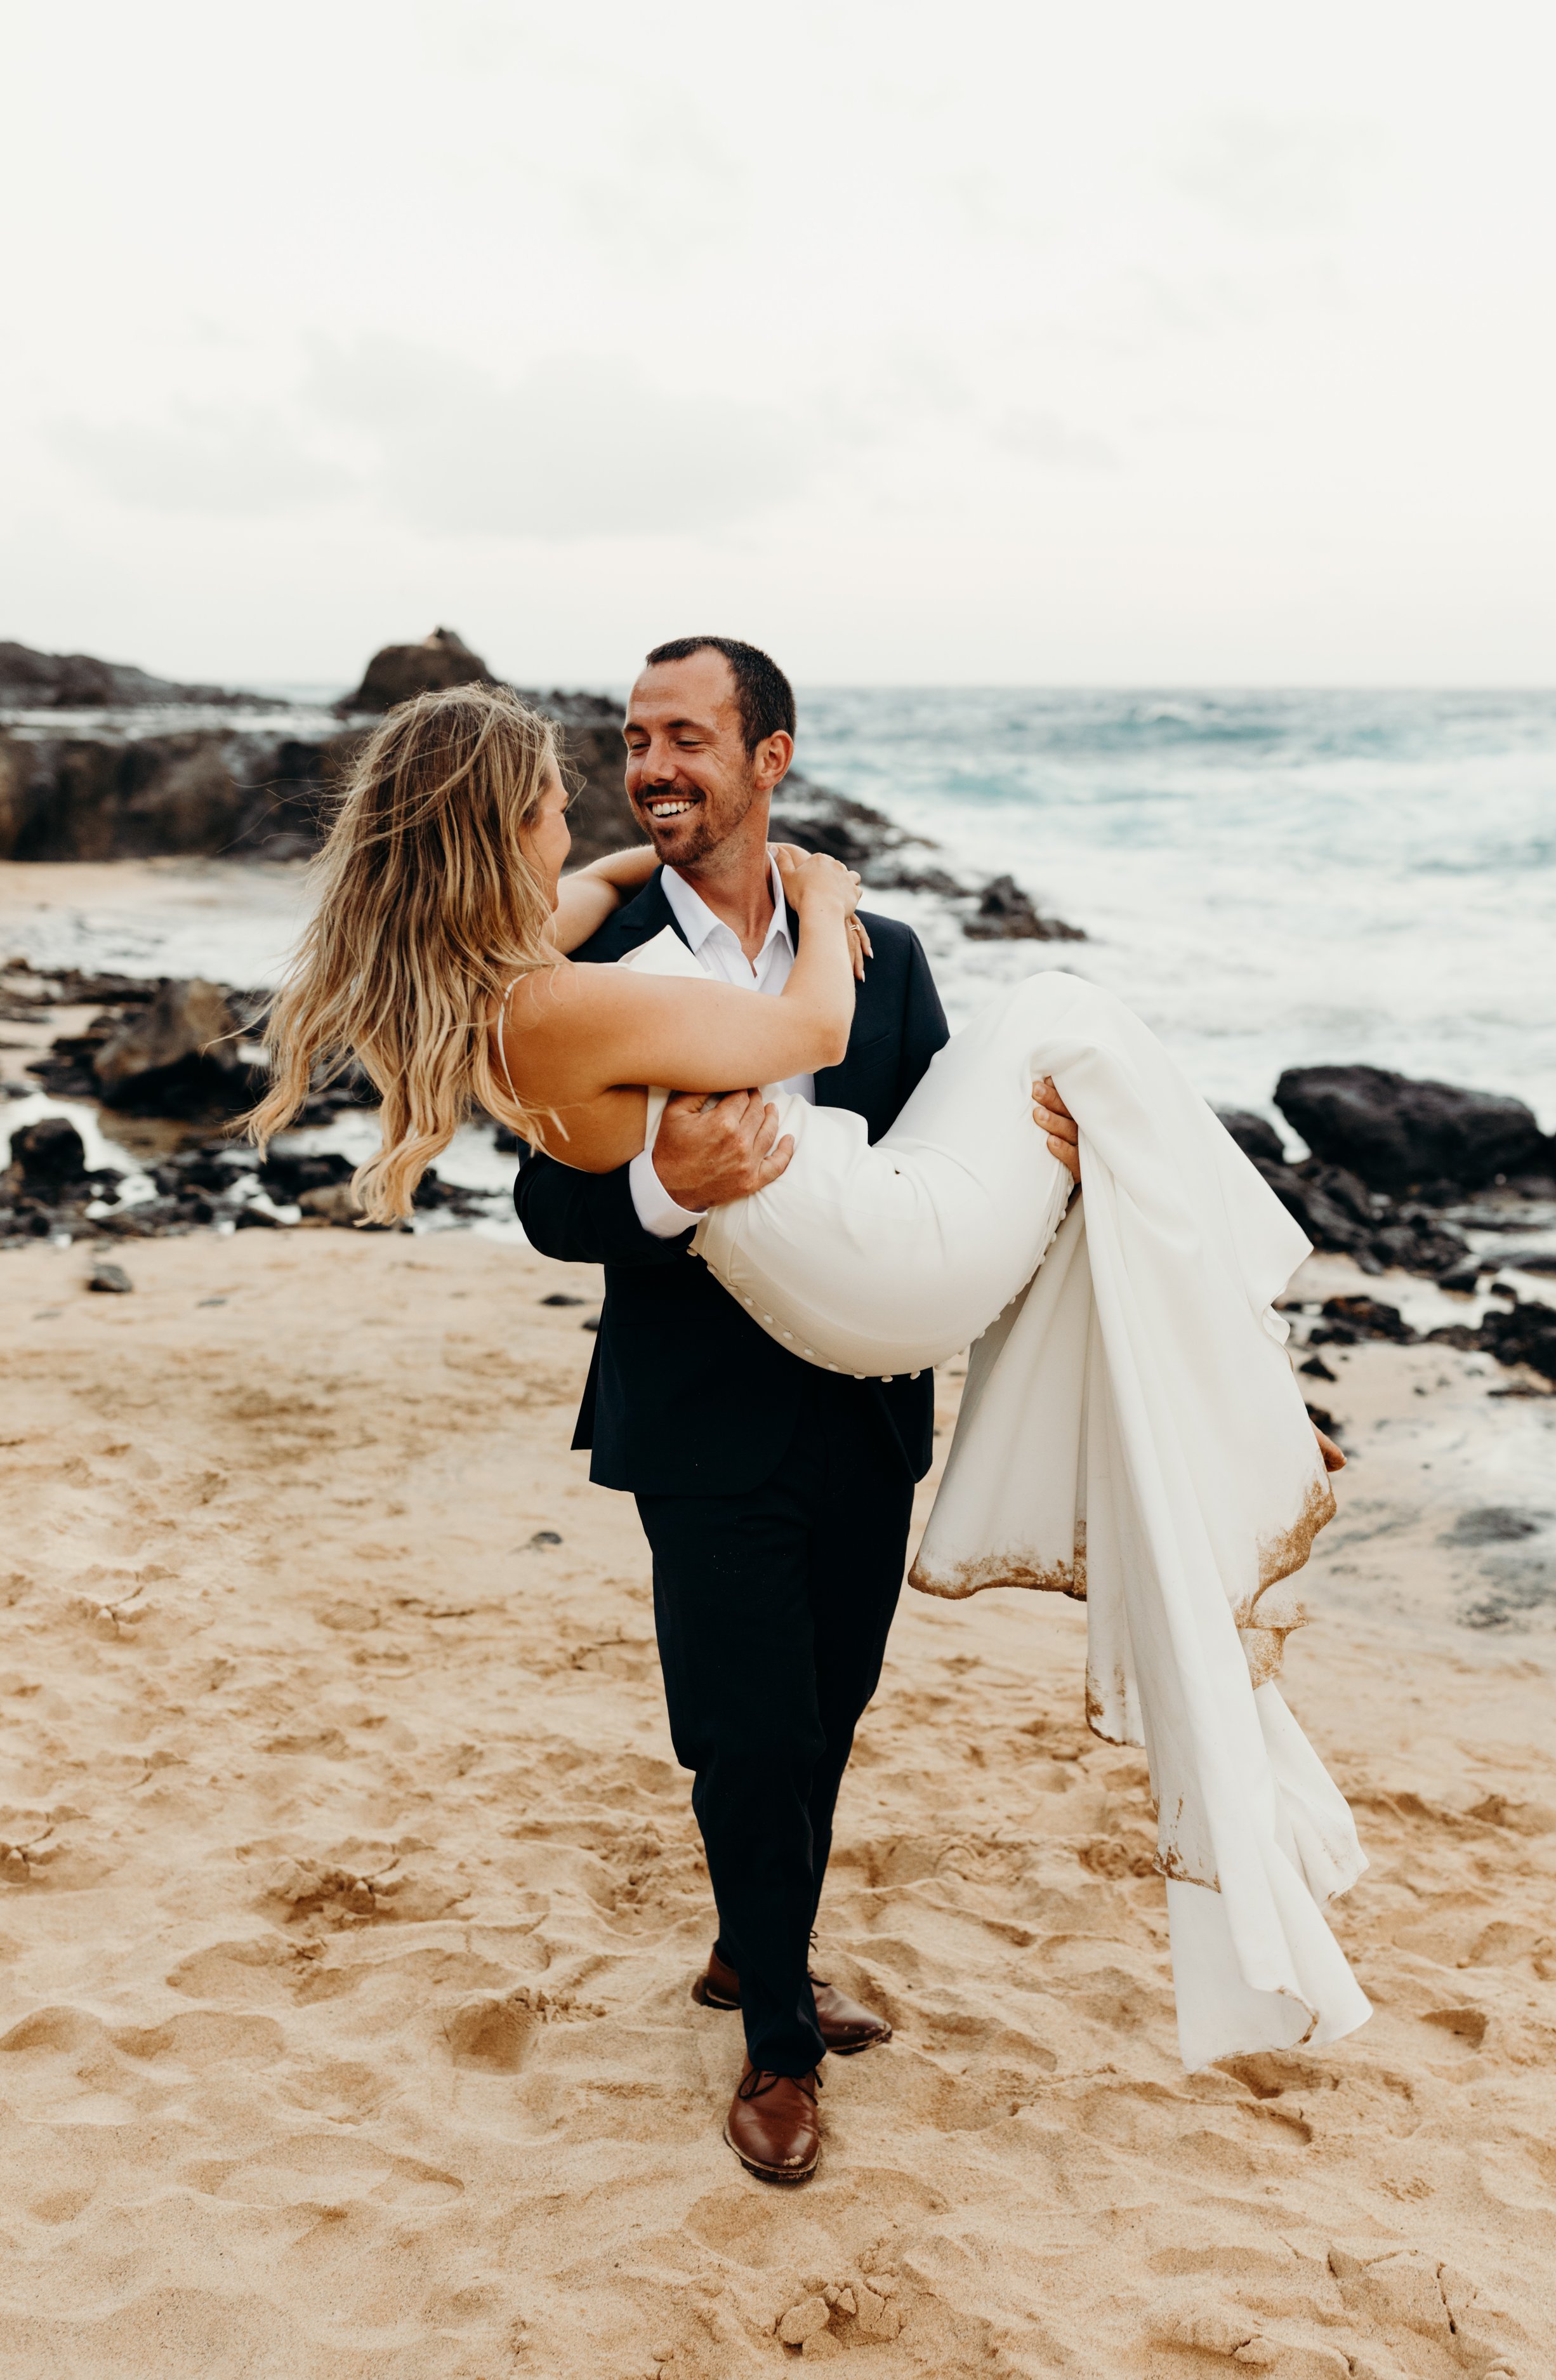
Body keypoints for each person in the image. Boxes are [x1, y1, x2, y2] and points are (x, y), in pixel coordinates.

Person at [251, 655, 1366, 2182]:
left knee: (826, 1713)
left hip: (859, 1397)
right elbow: (543, 1204)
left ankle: (745, 1943)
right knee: (741, 1735)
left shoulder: (869, 951)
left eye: (681, 740)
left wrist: (1052, 1152)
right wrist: (658, 1188)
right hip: (703, 1421)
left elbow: (928, 1181)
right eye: (627, 744)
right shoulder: (600, 957)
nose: (646, 767)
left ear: (765, 756)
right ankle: (776, 2039)